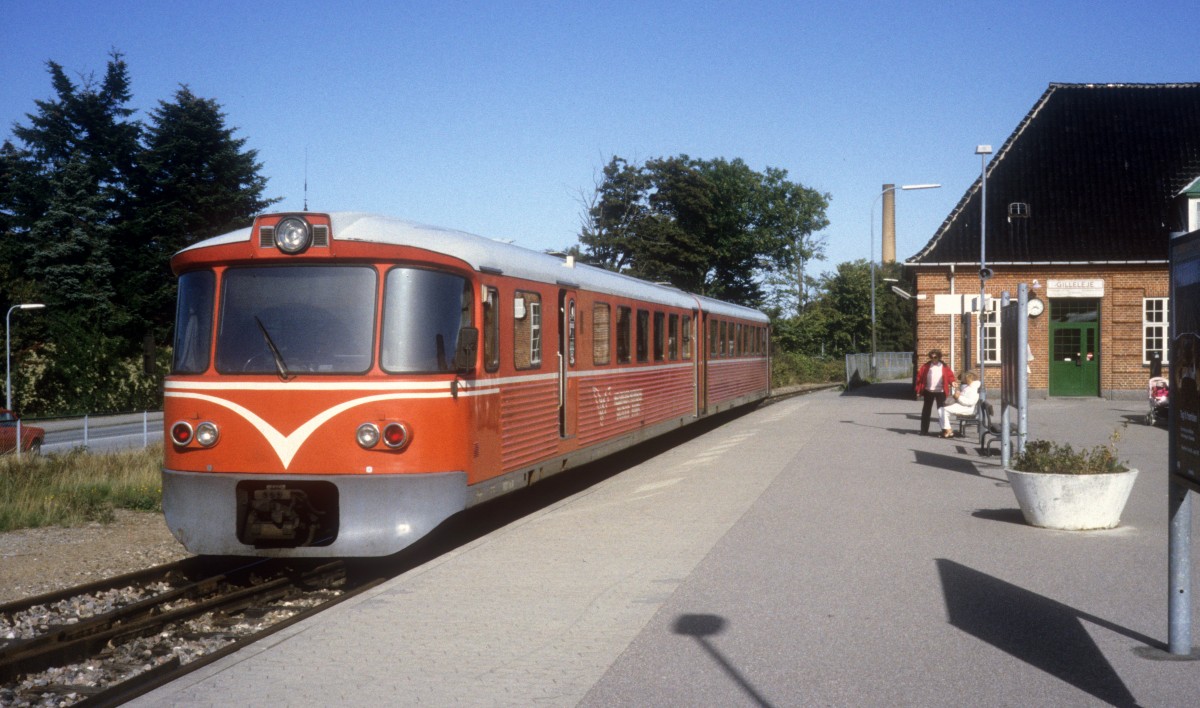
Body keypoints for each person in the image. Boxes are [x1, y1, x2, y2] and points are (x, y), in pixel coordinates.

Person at [914, 349, 956, 435]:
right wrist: (918, 390)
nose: (933, 359)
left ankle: (945, 430)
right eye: (931, 357)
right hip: (928, 391)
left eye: (935, 357)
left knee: (942, 412)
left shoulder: (944, 366)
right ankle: (924, 430)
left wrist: (952, 382)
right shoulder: (925, 366)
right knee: (926, 411)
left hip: (940, 391)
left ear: (939, 357)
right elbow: (919, 378)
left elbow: (950, 376)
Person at [939, 370, 981, 438]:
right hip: (963, 406)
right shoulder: (970, 386)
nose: (963, 380)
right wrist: (958, 393)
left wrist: (958, 397)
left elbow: (970, 402)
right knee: (942, 410)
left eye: (964, 379)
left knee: (943, 410)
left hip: (967, 408)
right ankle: (947, 430)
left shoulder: (973, 388)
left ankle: (948, 430)